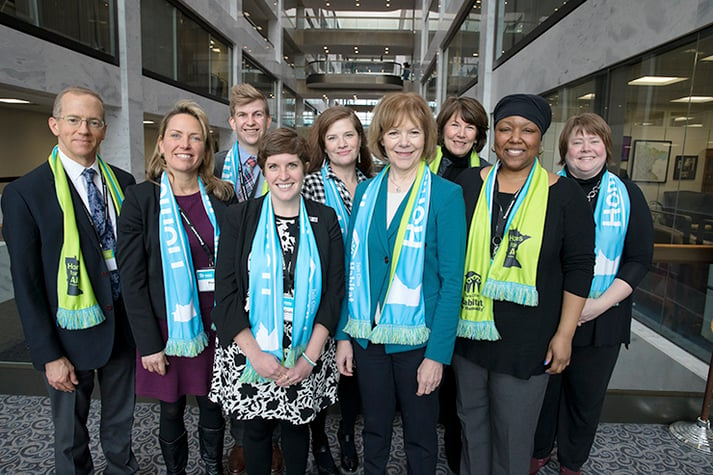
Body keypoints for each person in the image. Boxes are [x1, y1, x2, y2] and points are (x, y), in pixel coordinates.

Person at [452, 94, 595, 475]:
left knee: (514, 437)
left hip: (529, 340)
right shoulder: (466, 184)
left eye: (527, 130)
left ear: (541, 139)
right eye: (505, 128)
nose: (516, 138)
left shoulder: (565, 196)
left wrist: (565, 334)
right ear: (493, 137)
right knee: (472, 427)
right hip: (468, 332)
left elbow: (580, 268)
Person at [1, 86, 138, 474]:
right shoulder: (25, 193)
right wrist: (47, 355)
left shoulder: (124, 183)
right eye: (74, 120)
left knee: (120, 426)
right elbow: (25, 284)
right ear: (54, 125)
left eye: (93, 121)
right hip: (67, 335)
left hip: (123, 328)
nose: (84, 129)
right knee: (70, 437)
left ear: (105, 130)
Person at [335, 92, 467, 474]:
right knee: (374, 430)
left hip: (418, 341)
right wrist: (345, 335)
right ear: (381, 139)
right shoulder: (365, 191)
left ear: (427, 138)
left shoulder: (446, 195)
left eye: (413, 132)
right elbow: (351, 267)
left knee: (421, 435)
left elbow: (452, 280)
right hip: (368, 336)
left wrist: (437, 355)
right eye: (394, 133)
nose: (404, 142)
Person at [210, 128, 345, 475]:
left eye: (292, 165)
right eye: (274, 166)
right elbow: (225, 293)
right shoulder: (239, 217)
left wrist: (309, 359)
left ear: (305, 168)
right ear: (263, 170)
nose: (283, 175)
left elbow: (334, 293)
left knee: (297, 428)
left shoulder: (324, 219)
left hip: (305, 346)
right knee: (254, 431)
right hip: (249, 345)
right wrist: (255, 355)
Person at [531, 113, 654, 475]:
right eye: (577, 141)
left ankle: (572, 461)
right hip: (547, 314)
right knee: (543, 392)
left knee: (585, 397)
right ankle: (538, 451)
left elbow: (638, 259)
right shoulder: (544, 189)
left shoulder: (628, 193)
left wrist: (596, 305)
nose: (586, 149)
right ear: (564, 150)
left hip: (604, 315)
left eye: (594, 141)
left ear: (607, 148)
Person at [117, 101, 235, 475]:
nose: (185, 144)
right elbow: (132, 279)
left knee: (213, 403)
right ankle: (176, 471)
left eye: (195, 137)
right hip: (167, 324)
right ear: (162, 144)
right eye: (177, 136)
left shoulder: (224, 196)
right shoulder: (140, 199)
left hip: (217, 322)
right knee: (172, 406)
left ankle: (213, 468)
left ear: (205, 148)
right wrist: (148, 342)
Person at [302, 106, 374, 474]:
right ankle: (319, 443)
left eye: (348, 135)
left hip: (363, 296)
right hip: (322, 294)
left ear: (360, 139)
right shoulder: (310, 182)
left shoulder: (376, 181)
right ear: (323, 145)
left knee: (351, 375)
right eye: (332, 137)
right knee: (318, 371)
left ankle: (346, 432)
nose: (342, 143)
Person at [213, 83, 275, 474]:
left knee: (271, 360)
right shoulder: (215, 164)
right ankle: (242, 442)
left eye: (258, 115)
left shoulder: (281, 158)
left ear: (267, 120)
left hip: (271, 280)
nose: (251, 122)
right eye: (244, 116)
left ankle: (272, 444)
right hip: (228, 278)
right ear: (232, 121)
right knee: (237, 364)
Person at [431, 95, 489, 473]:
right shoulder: (421, 167)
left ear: (479, 135)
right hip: (423, 286)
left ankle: (456, 458)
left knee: (459, 387)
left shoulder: (487, 175)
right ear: (442, 128)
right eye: (455, 123)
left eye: (470, 126)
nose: (461, 132)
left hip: (465, 290)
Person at [430, 95, 490, 181]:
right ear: (442, 130)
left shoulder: (488, 174)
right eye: (455, 125)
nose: (461, 134)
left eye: (470, 127)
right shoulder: (422, 165)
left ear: (477, 136)